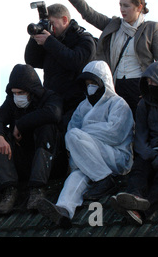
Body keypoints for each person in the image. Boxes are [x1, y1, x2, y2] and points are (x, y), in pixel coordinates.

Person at [37, 60, 134, 227]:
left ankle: (104, 179)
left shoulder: (118, 104)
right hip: (91, 160)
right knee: (76, 176)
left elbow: (115, 133)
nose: (90, 87)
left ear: (104, 82)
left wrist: (85, 131)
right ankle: (64, 210)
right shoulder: (83, 106)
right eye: (87, 83)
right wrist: (84, 136)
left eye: (93, 83)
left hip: (116, 156)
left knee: (74, 135)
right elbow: (72, 131)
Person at [63, 0, 158, 116]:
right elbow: (89, 14)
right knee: (118, 124)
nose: (122, 9)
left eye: (126, 6)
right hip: (115, 85)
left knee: (140, 125)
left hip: (140, 85)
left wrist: (154, 88)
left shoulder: (151, 28)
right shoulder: (114, 24)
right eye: (120, 5)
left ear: (139, 7)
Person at [0, 64, 63, 214]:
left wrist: (21, 124)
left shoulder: (50, 97)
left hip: (50, 164)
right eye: (14, 93)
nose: (17, 96)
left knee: (47, 128)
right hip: (23, 162)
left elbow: (53, 113)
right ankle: (9, 190)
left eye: (21, 92)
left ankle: (37, 190)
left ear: (32, 91)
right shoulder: (11, 102)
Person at [110, 60, 158, 225]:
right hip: (150, 152)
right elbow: (140, 136)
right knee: (138, 171)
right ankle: (133, 199)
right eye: (148, 82)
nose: (151, 85)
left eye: (154, 82)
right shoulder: (144, 105)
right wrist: (148, 154)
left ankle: (143, 211)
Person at [25, 3, 96, 129]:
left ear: (64, 20)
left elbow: (75, 61)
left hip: (76, 104)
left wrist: (50, 42)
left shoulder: (84, 39)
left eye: (51, 23)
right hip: (52, 102)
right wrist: (34, 38)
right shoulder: (51, 40)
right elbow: (32, 61)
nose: (50, 28)